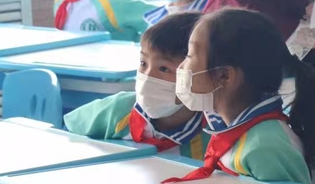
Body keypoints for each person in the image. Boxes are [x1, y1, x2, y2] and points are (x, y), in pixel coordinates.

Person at [164, 8, 315, 184]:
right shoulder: (232, 127)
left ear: (224, 76)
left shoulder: (265, 148)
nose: (181, 67)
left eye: (190, 55)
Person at [64, 12, 210, 159]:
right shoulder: (117, 109)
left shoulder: (212, 132)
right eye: (143, 63)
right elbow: (66, 135)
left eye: (164, 69)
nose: (148, 76)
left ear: (200, 75)